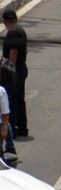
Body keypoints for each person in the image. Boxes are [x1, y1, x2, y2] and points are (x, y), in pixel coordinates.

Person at [2, 9, 28, 139]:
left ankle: (14, 129)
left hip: (15, 72)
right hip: (21, 69)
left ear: (5, 21)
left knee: (12, 100)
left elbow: (13, 54)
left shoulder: (13, 32)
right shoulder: (20, 30)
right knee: (19, 99)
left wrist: (9, 73)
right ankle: (22, 127)